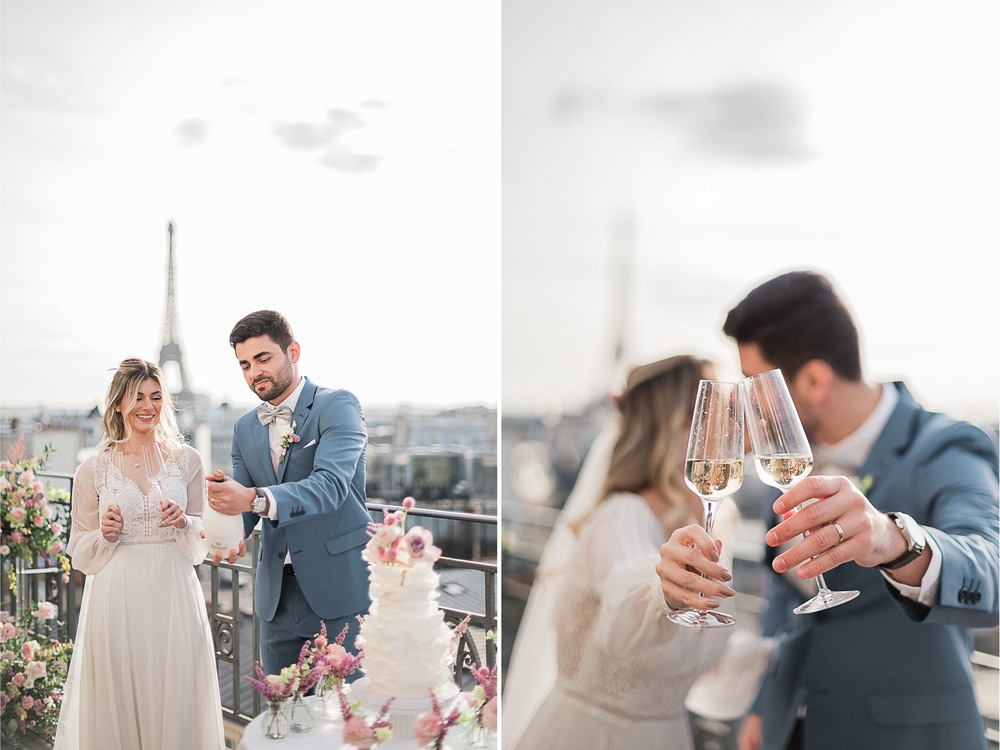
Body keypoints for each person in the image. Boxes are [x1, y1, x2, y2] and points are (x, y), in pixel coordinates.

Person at [723, 271, 999, 750]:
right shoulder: (791, 460)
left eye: (755, 386)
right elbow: (786, 593)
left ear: (813, 380)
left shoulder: (945, 445)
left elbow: (992, 568)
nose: (752, 409)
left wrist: (893, 539)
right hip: (790, 732)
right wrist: (765, 702)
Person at [503, 355, 740, 750]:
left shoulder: (704, 529)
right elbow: (628, 583)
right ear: (682, 426)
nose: (736, 429)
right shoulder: (621, 518)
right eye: (724, 415)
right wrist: (662, 589)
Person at [54, 358, 225, 749]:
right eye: (137, 397)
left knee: (177, 690)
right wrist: (105, 534)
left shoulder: (189, 461)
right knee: (121, 695)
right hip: (116, 596)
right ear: (118, 404)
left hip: (174, 594)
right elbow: (79, 549)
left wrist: (184, 521)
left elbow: (205, 540)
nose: (147, 406)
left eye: (156, 397)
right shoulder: (92, 469)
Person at [206, 310, 371, 676]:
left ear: (293, 351)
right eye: (245, 364)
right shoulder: (244, 428)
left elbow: (330, 487)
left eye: (263, 359)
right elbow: (244, 507)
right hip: (275, 599)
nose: (254, 373)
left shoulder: (337, 405)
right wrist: (217, 529)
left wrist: (252, 498)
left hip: (339, 590)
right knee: (283, 712)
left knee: (348, 715)